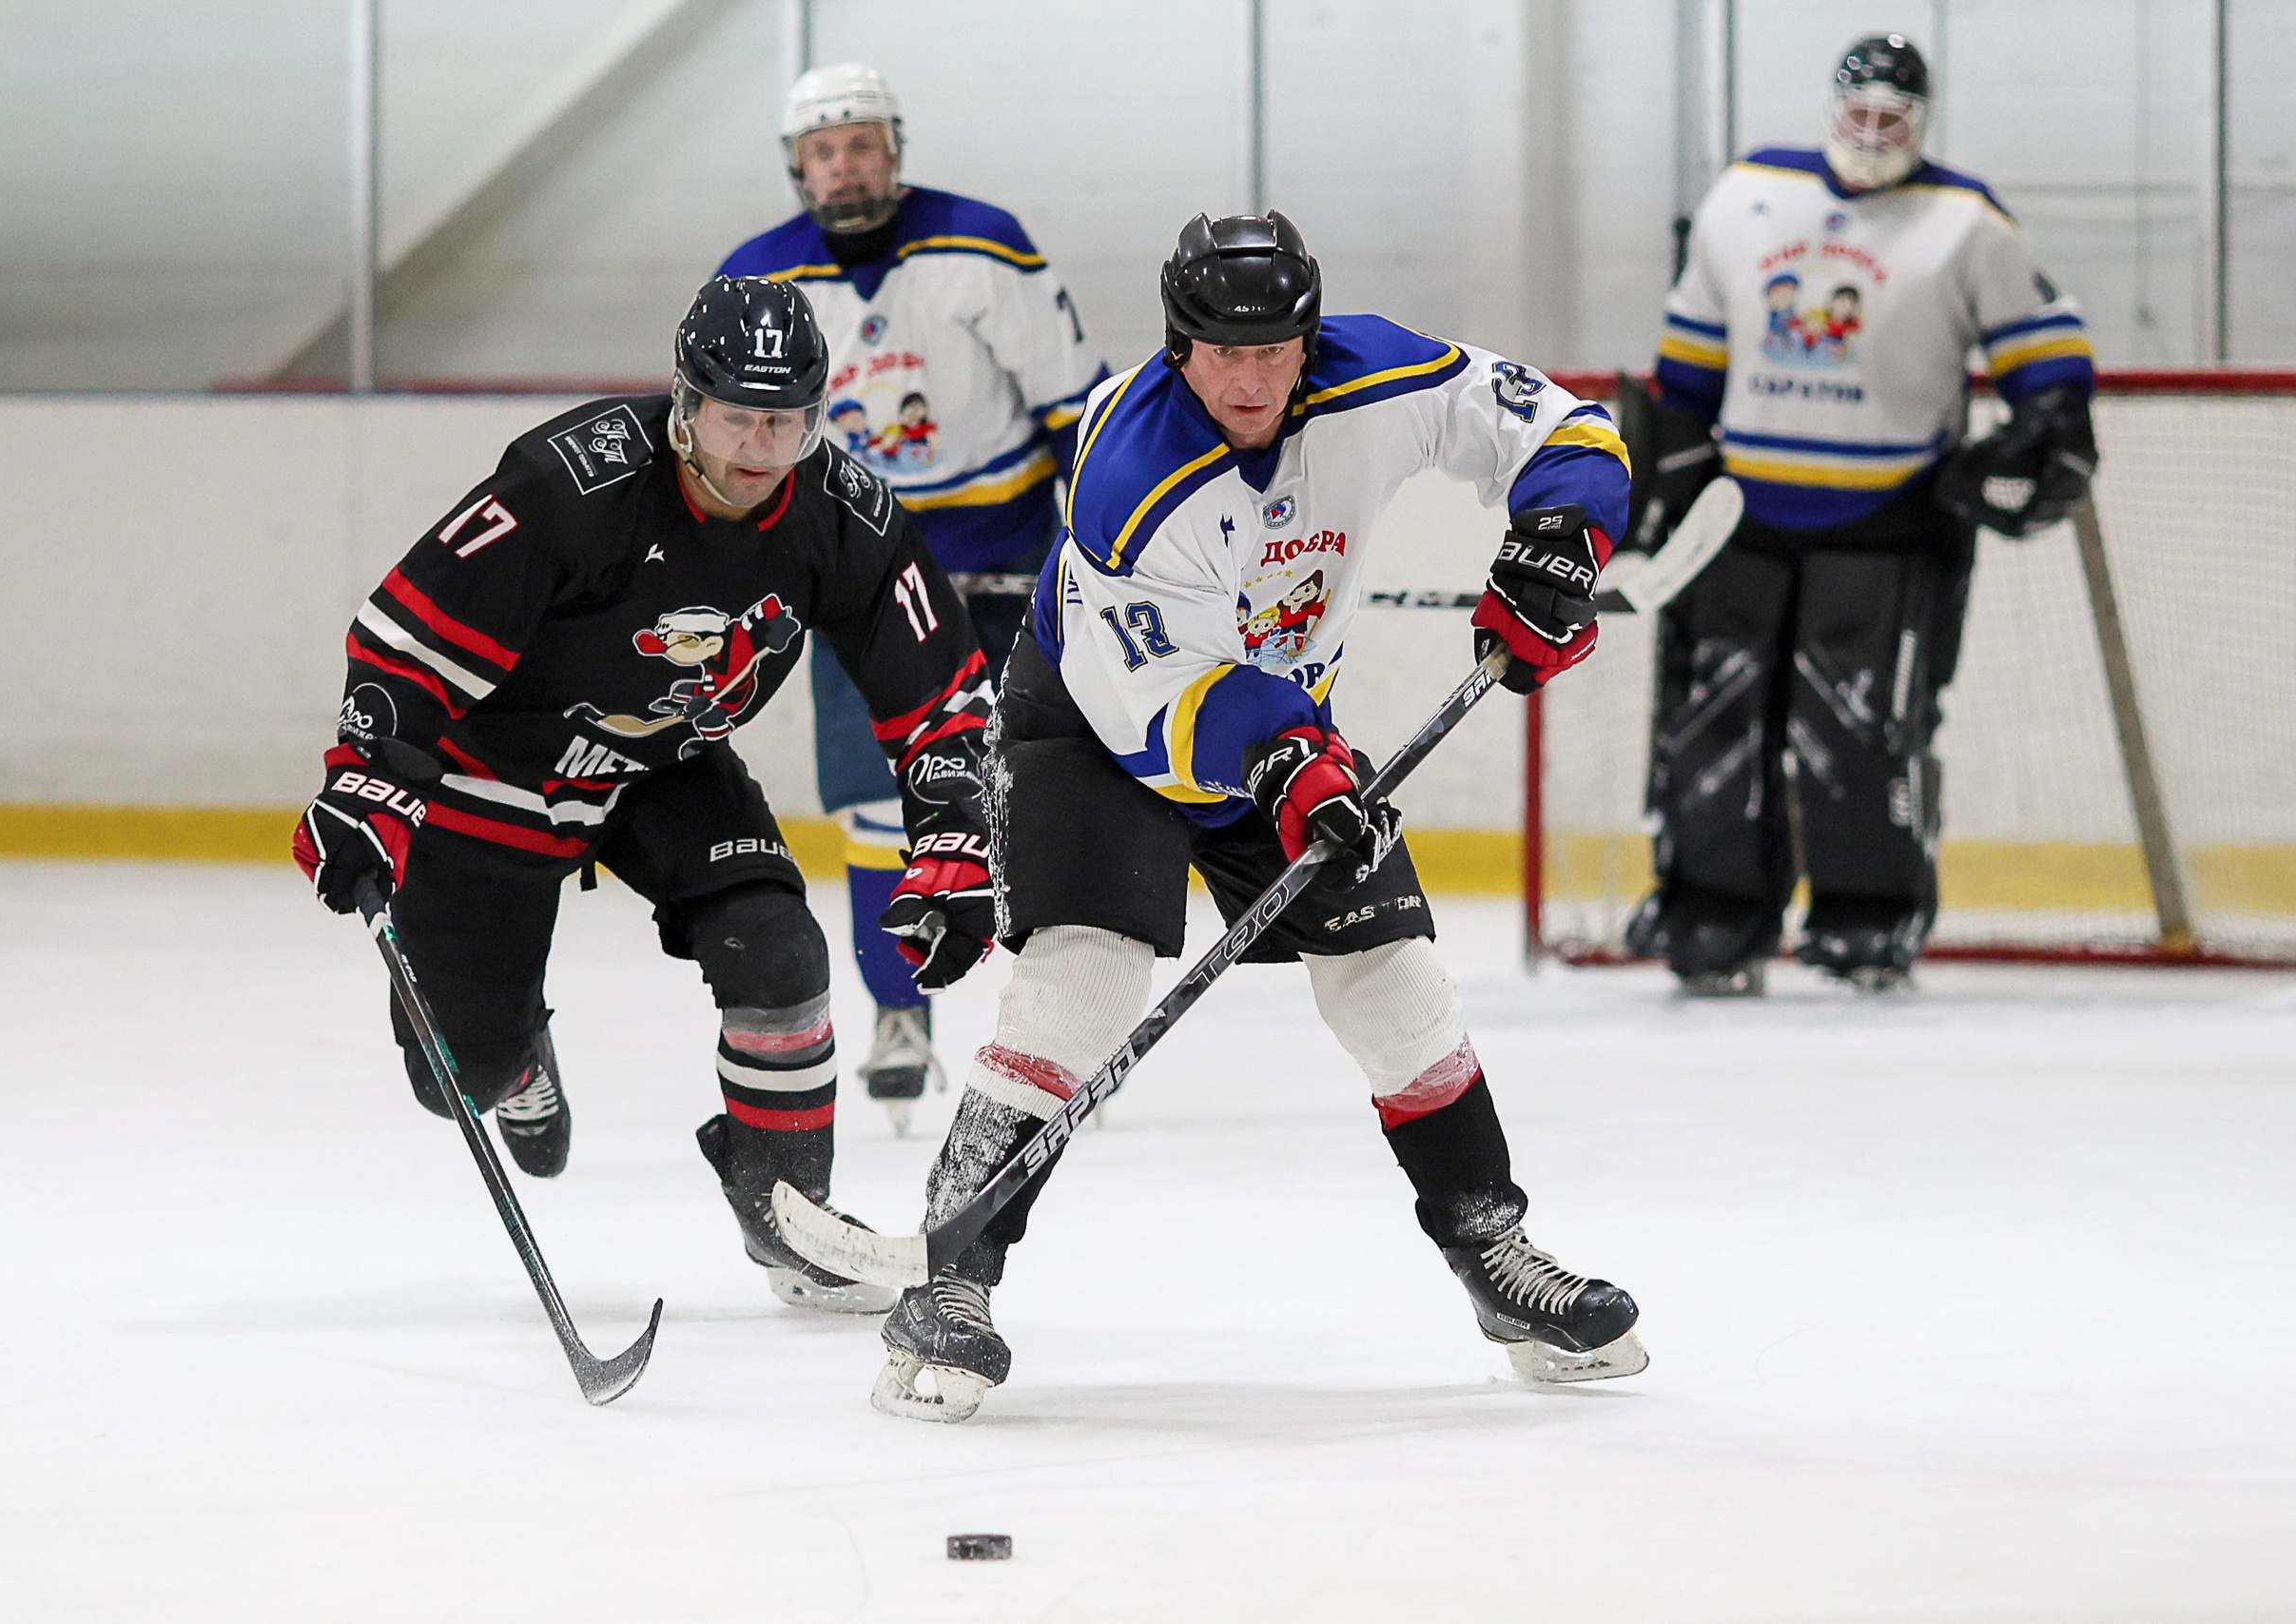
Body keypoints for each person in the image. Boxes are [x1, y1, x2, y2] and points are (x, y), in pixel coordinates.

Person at [865, 211, 1647, 1422]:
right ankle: (952, 1273)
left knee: (1389, 975)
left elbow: (1560, 424)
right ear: (1179, 345)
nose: (1250, 376)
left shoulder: (1374, 373)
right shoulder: (1127, 467)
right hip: (1100, 726)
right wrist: (1288, 762)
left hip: (1283, 728)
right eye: (1221, 350)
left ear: (1309, 336)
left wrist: (1558, 540)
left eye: (1274, 347)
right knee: (1083, 981)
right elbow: (1156, 701)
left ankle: (1495, 1255)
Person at [290, 276, 996, 1315]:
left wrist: (953, 835)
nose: (760, 449)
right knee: (457, 1079)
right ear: (684, 402)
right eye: (736, 417)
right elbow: (412, 634)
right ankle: (516, 1059)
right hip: (499, 769)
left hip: (663, 766)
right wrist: (366, 776)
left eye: (786, 422)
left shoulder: (843, 516)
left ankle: (788, 1219)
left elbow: (941, 698)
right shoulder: (572, 481)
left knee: (781, 952)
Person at [1626, 33, 2097, 994]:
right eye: (1858, 115)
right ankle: (1712, 918)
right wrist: (1667, 475)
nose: (1873, 134)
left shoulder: (1964, 220)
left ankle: (1866, 923)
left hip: (1889, 521)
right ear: (1829, 110)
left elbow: (2044, 353)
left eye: (1894, 120)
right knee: (1713, 722)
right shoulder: (1746, 195)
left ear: (1920, 124)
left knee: (1863, 732)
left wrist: (2043, 424)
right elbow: (1687, 364)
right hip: (1739, 521)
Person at [718, 64, 1105, 1130]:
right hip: (860, 572)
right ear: (797, 166)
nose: (845, 165)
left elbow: (1077, 408)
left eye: (863, 144)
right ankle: (900, 1012)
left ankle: (1063, 1030)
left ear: (896, 148)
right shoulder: (758, 282)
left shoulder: (982, 244)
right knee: (878, 804)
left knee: (1047, 797)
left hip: (1013, 559)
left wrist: (1092, 549)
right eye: (823, 150)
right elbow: (735, 448)